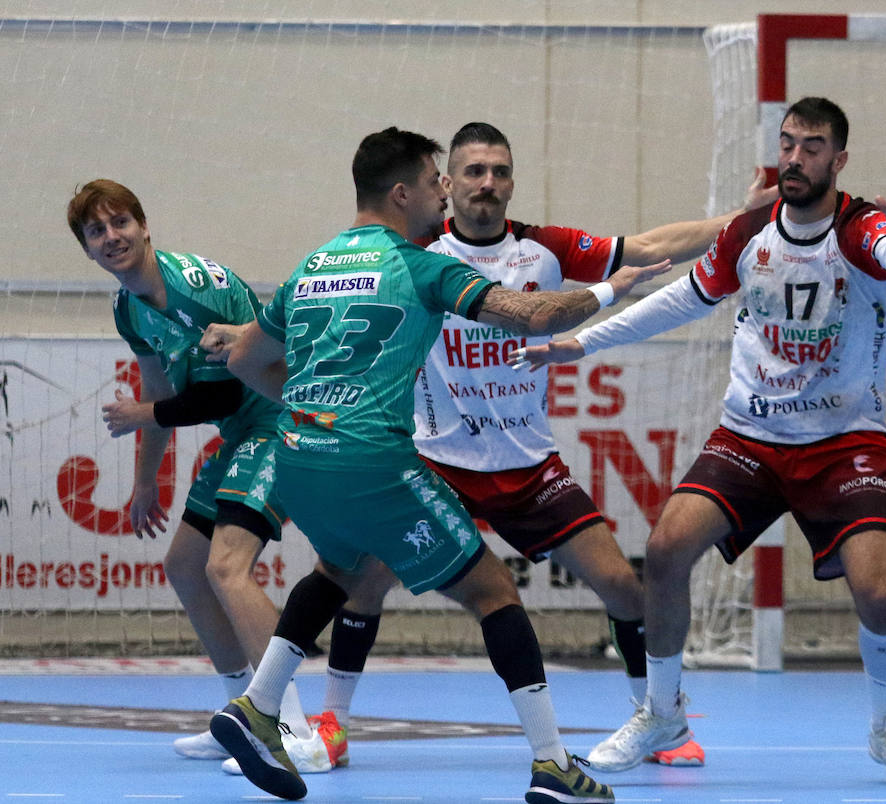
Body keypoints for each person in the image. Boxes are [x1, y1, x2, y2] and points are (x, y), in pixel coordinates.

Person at [277, 120, 776, 774]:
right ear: (447, 184)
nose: (488, 183)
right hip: (439, 462)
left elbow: (649, 245)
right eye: (474, 172)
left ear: (512, 183)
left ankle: (656, 718)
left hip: (528, 465)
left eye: (500, 172)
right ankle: (332, 725)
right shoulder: (416, 257)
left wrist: (741, 219)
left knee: (624, 587)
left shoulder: (544, 250)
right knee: (363, 578)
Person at [201, 126, 670, 803]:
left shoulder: (310, 267)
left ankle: (255, 707)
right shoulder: (420, 264)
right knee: (495, 595)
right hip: (373, 460)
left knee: (339, 570)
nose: (443, 193)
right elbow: (530, 314)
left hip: (298, 455)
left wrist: (312, 408)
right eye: (434, 181)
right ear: (401, 194)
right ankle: (552, 767)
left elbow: (246, 360)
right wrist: (609, 291)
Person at [511, 97, 886, 787]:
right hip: (751, 435)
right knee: (664, 549)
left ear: (839, 160)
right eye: (788, 143)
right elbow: (683, 298)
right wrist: (580, 345)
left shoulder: (860, 227)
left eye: (813, 146)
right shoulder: (750, 232)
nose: (795, 157)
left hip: (842, 441)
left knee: (880, 594)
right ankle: (662, 713)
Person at [65, 180, 327, 766]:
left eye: (121, 223)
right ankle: (240, 713)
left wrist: (143, 414)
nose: (112, 237)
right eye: (97, 231)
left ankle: (290, 728)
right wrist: (144, 482)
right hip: (244, 433)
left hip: (282, 421)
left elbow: (215, 398)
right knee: (185, 566)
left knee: (227, 567)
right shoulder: (128, 309)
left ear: (145, 226)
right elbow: (157, 391)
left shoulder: (196, 291)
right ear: (86, 249)